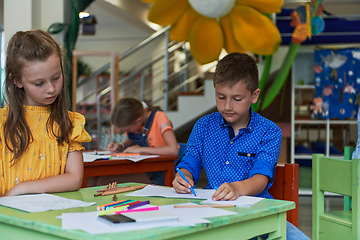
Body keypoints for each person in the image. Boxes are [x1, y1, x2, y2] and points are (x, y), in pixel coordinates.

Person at [173, 53, 310, 240]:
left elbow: (261, 177)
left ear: (254, 95)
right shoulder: (203, 126)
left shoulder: (269, 131)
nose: (227, 106)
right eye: (221, 97)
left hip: (258, 213)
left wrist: (237, 188)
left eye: (237, 99)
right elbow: (190, 161)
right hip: (215, 211)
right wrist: (183, 176)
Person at [0, 30, 92, 197]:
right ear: (17, 81)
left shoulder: (71, 122)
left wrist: (21, 189)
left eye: (56, 77)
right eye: (39, 83)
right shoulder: (2, 123)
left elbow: (74, 178)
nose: (51, 89)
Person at [104, 97, 178, 185]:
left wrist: (140, 149)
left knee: (103, 181)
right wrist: (121, 146)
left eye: (128, 130)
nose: (127, 133)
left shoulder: (159, 117)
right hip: (145, 168)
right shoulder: (138, 124)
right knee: (99, 179)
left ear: (138, 121)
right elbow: (132, 139)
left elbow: (173, 150)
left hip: (162, 173)